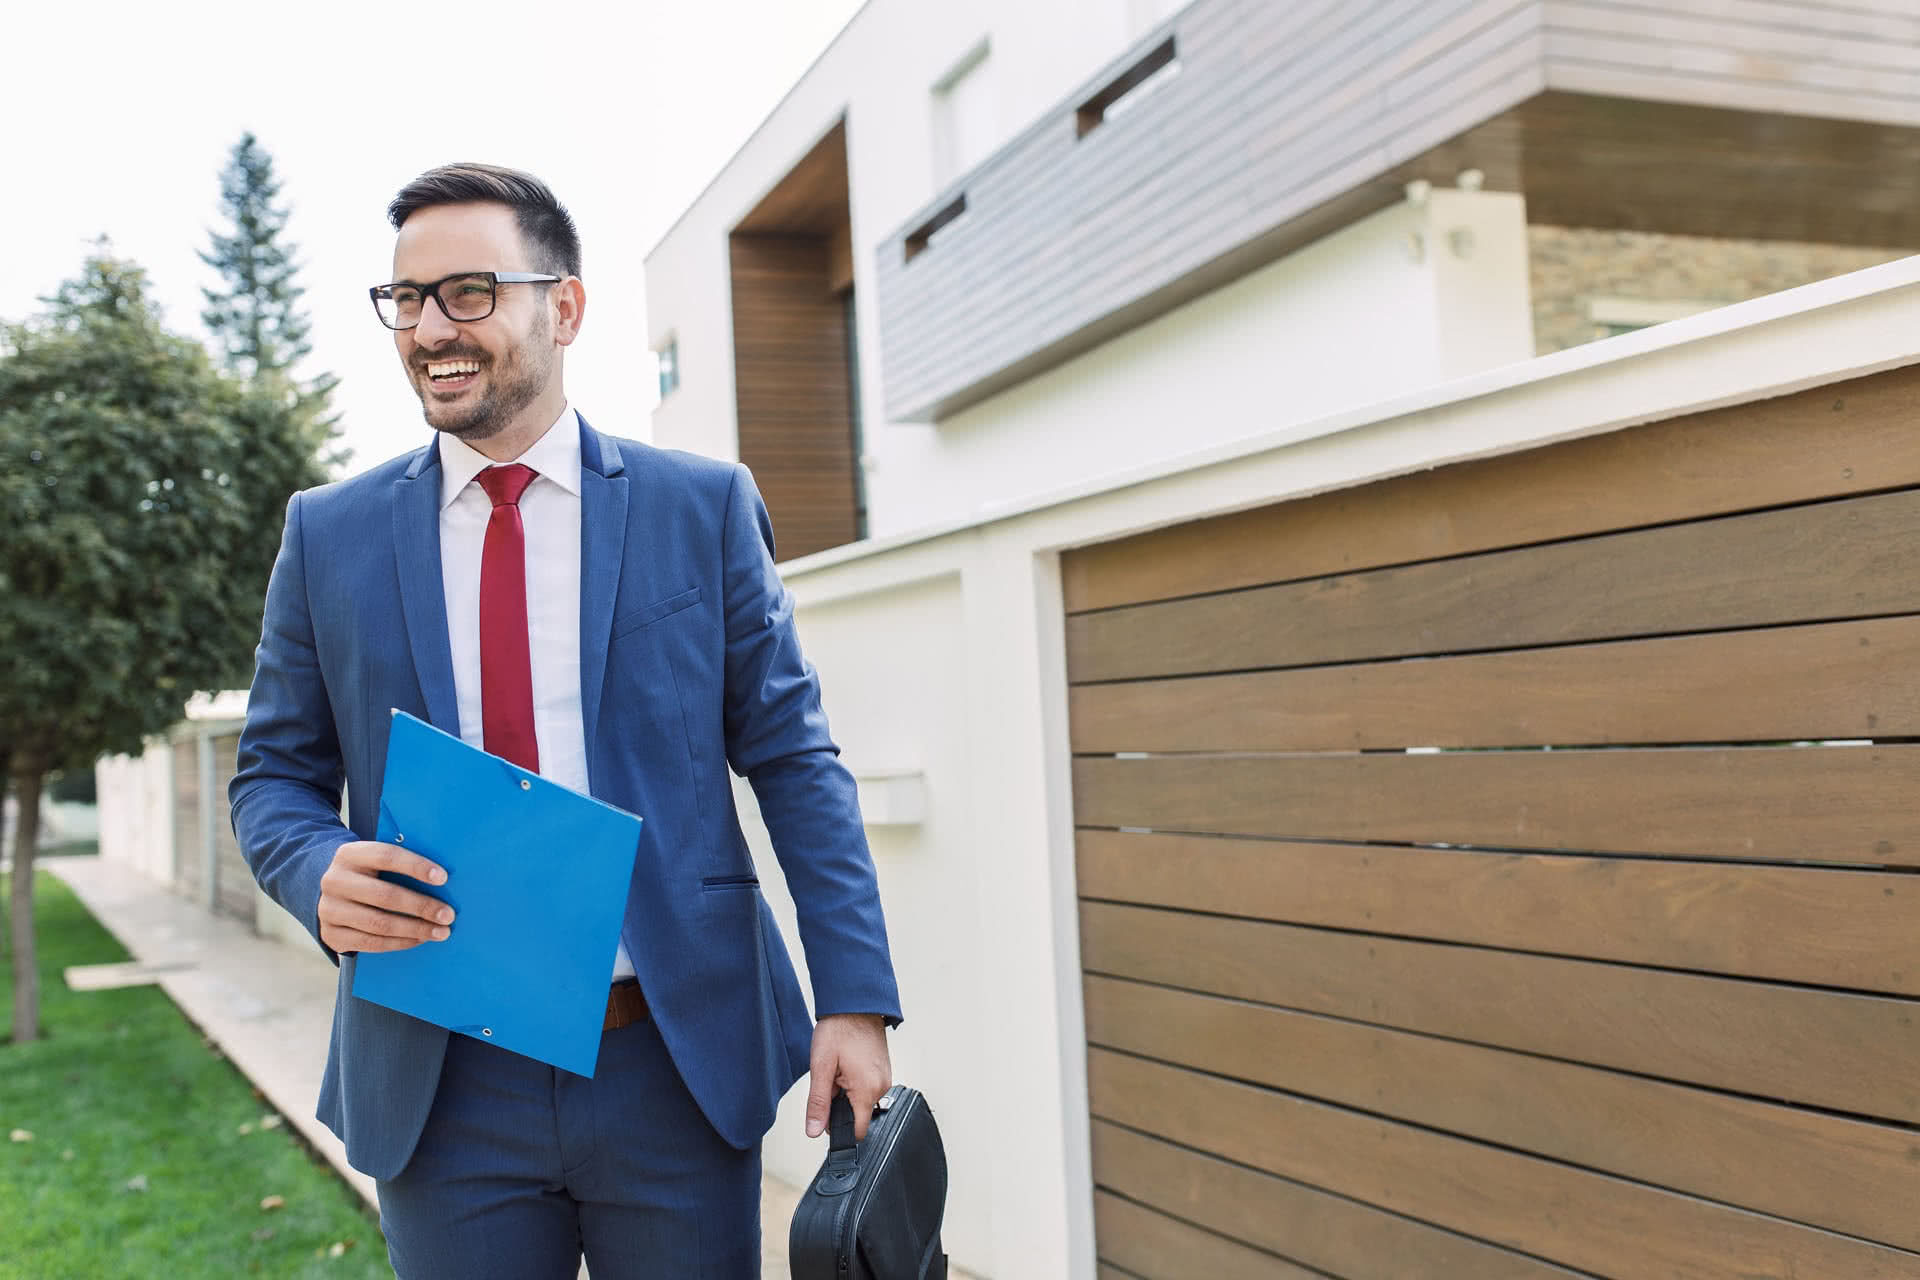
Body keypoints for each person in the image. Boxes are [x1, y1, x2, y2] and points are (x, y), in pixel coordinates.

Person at [230, 163, 900, 1279]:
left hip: (670, 1064)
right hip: (439, 1079)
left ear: (565, 306)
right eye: (408, 299)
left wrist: (857, 998)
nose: (432, 328)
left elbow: (793, 757)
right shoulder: (328, 535)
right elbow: (270, 778)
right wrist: (316, 867)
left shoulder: (701, 506)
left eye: (471, 292)